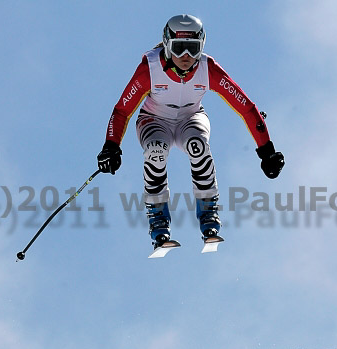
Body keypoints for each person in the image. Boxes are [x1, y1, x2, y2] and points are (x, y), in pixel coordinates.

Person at [97, 14, 284, 249]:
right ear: (166, 44)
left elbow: (246, 108)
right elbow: (122, 111)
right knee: (156, 151)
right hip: (154, 121)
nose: (186, 57)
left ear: (202, 46)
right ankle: (158, 220)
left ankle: (208, 215)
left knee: (198, 146)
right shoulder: (150, 69)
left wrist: (267, 150)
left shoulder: (208, 69)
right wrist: (111, 146)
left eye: (193, 49)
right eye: (179, 48)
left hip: (191, 118)